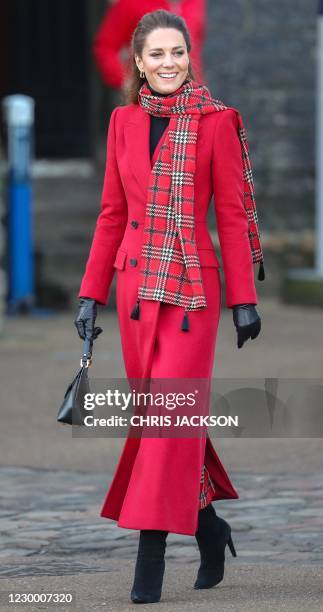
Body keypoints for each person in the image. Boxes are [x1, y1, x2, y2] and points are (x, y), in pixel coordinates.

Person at [74, 9, 263, 604]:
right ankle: (210, 529)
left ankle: (149, 554)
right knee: (167, 421)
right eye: (156, 54)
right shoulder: (122, 122)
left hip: (192, 296)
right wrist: (90, 291)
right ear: (137, 62)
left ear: (189, 55)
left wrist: (244, 300)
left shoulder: (218, 123)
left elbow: (231, 217)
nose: (168, 63)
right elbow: (111, 214)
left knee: (166, 419)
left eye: (177, 52)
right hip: (133, 293)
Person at [93, 0, 206, 88]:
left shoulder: (197, 3)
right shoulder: (131, 3)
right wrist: (125, 81)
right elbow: (106, 46)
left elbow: (196, 45)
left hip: (189, 92)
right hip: (147, 95)